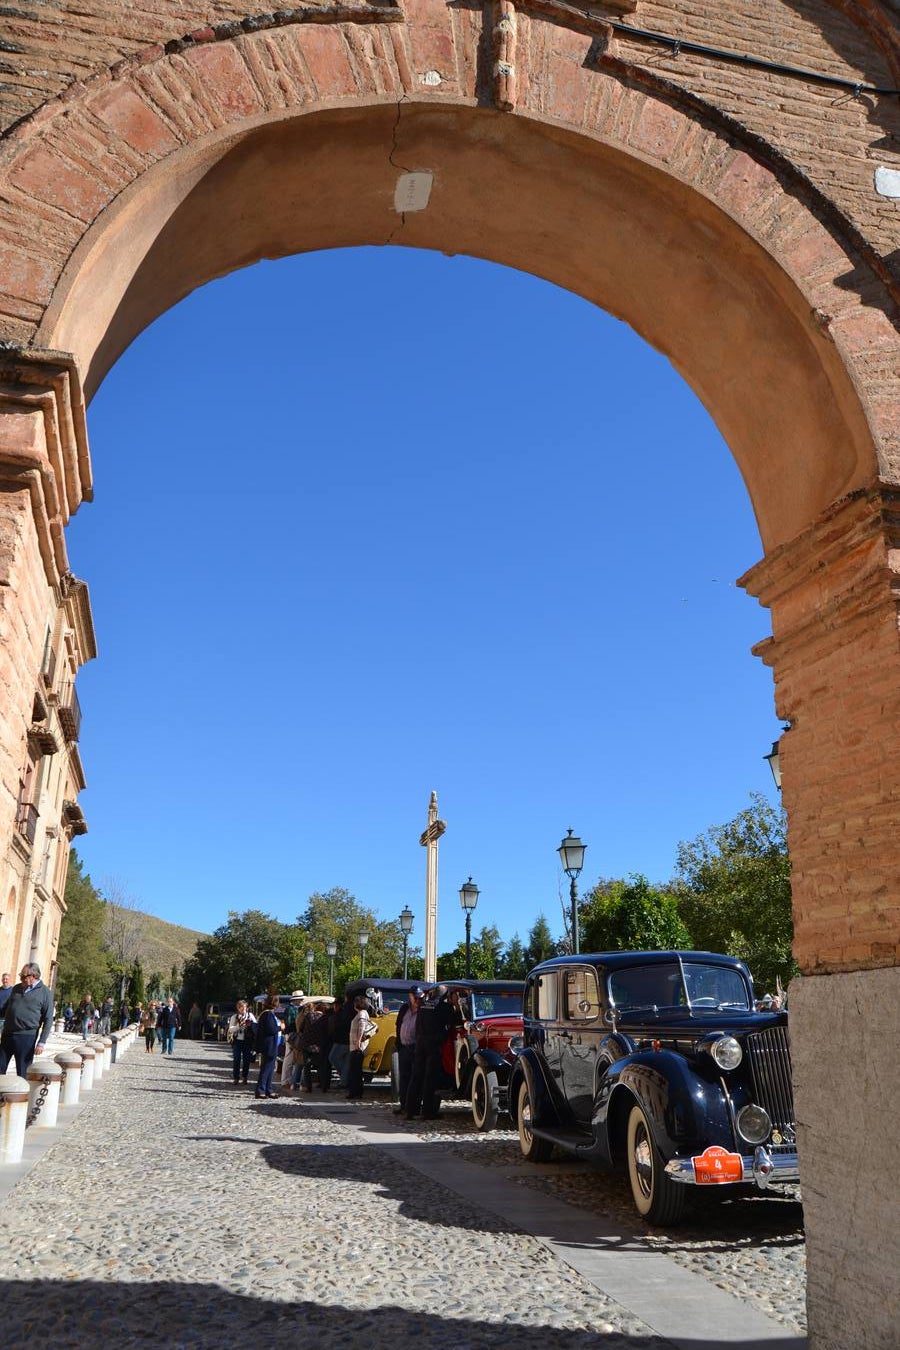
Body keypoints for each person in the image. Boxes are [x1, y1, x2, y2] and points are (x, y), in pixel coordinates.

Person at [405, 985, 456, 1120]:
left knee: (416, 1076)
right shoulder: (445, 1007)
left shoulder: (423, 1005)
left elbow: (418, 1023)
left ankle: (411, 1110)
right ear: (445, 996)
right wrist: (443, 1036)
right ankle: (428, 1111)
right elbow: (452, 1024)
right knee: (431, 1078)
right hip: (434, 1044)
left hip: (420, 1042)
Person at [0, 962, 54, 1077]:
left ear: (33, 976)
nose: (20, 979)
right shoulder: (16, 988)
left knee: (23, 1072)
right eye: (20, 975)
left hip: (26, 1036)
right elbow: (6, 1008)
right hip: (8, 1034)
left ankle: (22, 1089)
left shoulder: (45, 993)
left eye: (23, 976)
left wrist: (41, 1042)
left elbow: (48, 1019)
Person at [394, 985, 424, 1114]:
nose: (417, 1000)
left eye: (419, 997)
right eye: (415, 997)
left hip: (415, 1047)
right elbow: (398, 1024)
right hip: (404, 1047)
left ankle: (413, 1107)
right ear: (410, 996)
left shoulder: (423, 1010)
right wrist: (399, 1043)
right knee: (404, 1077)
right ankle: (403, 1105)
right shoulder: (404, 1008)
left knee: (415, 1078)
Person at [346, 994, 376, 1100]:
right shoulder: (362, 1013)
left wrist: (358, 1041)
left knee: (355, 1070)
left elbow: (361, 1027)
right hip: (356, 1046)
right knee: (356, 1070)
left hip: (357, 1046)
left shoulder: (362, 1014)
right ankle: (357, 1092)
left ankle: (355, 1092)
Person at [255, 995, 282, 1098]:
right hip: (268, 1045)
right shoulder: (267, 1014)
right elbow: (271, 1029)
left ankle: (268, 1089)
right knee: (266, 1068)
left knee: (270, 1069)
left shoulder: (268, 1014)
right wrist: (280, 1027)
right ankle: (261, 1090)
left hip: (270, 1044)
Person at [226, 1000, 257, 1084]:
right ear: (238, 1008)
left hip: (247, 1041)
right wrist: (238, 1026)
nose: (243, 1009)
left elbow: (256, 1026)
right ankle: (236, 1078)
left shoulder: (250, 1015)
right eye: (241, 1008)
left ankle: (245, 1077)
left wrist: (250, 1024)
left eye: (245, 1007)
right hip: (237, 1041)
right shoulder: (234, 1017)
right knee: (237, 1059)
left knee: (247, 1060)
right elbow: (230, 1029)